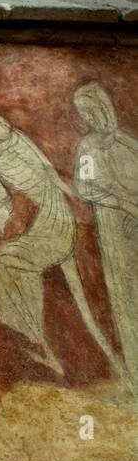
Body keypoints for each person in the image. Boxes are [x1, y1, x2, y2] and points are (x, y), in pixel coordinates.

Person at [0, 112, 125, 379]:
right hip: (43, 220)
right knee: (8, 259)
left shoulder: (18, 139)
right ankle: (38, 338)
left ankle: (35, 334)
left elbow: (50, 172)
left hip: (56, 215)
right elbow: (0, 193)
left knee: (9, 258)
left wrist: (79, 198)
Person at [71, 83, 138, 393]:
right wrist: (120, 201)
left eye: (93, 110)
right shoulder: (88, 148)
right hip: (113, 229)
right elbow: (84, 188)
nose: (90, 117)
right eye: (84, 113)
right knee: (126, 299)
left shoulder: (127, 143)